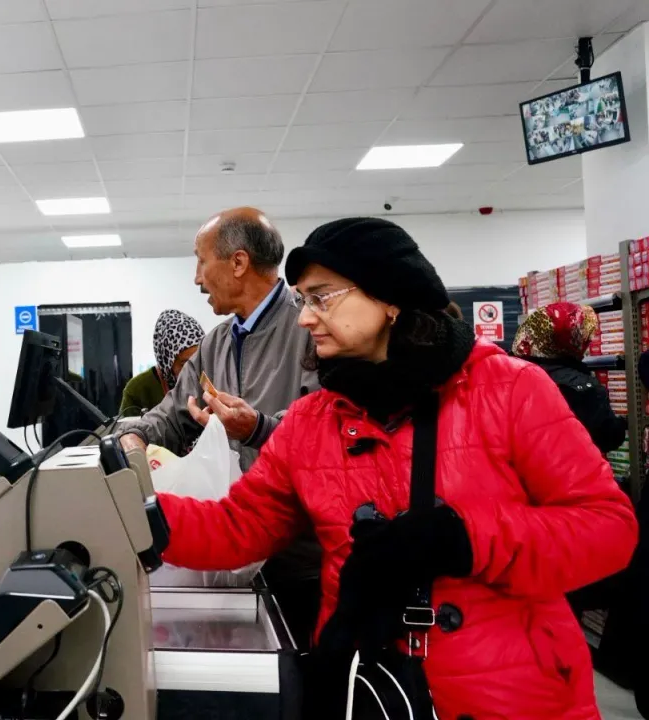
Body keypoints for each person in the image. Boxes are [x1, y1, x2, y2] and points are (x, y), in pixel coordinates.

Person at [157, 217, 638, 719]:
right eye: (303, 300)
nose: (304, 319)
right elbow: (240, 524)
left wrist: (464, 540)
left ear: (389, 299)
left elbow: (609, 527)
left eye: (321, 298)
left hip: (514, 694)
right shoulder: (310, 422)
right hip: (370, 689)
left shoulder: (510, 390)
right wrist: (142, 518)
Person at [120, 207, 321, 648]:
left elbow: (321, 432)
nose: (196, 278)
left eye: (200, 261)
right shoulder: (216, 342)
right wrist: (131, 437)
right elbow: (171, 414)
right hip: (234, 553)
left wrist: (257, 428)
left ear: (238, 262)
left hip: (299, 564)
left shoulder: (308, 329)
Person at [512, 302, 626, 454]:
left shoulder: (509, 375)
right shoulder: (584, 388)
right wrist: (623, 423)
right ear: (571, 341)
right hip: (571, 465)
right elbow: (607, 437)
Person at [119, 309, 204, 416]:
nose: (194, 368)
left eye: (198, 360)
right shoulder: (137, 391)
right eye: (184, 363)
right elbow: (127, 426)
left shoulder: (208, 382)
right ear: (167, 361)